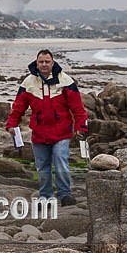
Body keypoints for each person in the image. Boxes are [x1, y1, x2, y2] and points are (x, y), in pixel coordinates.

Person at [5, 49, 88, 206]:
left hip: (61, 131)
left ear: (52, 62)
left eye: (47, 62)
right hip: (39, 133)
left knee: (60, 160)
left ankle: (65, 194)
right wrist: (11, 124)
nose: (44, 64)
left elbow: (78, 108)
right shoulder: (28, 83)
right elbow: (18, 107)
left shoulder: (65, 81)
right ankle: (46, 196)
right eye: (41, 62)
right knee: (42, 166)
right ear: (37, 63)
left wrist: (81, 126)